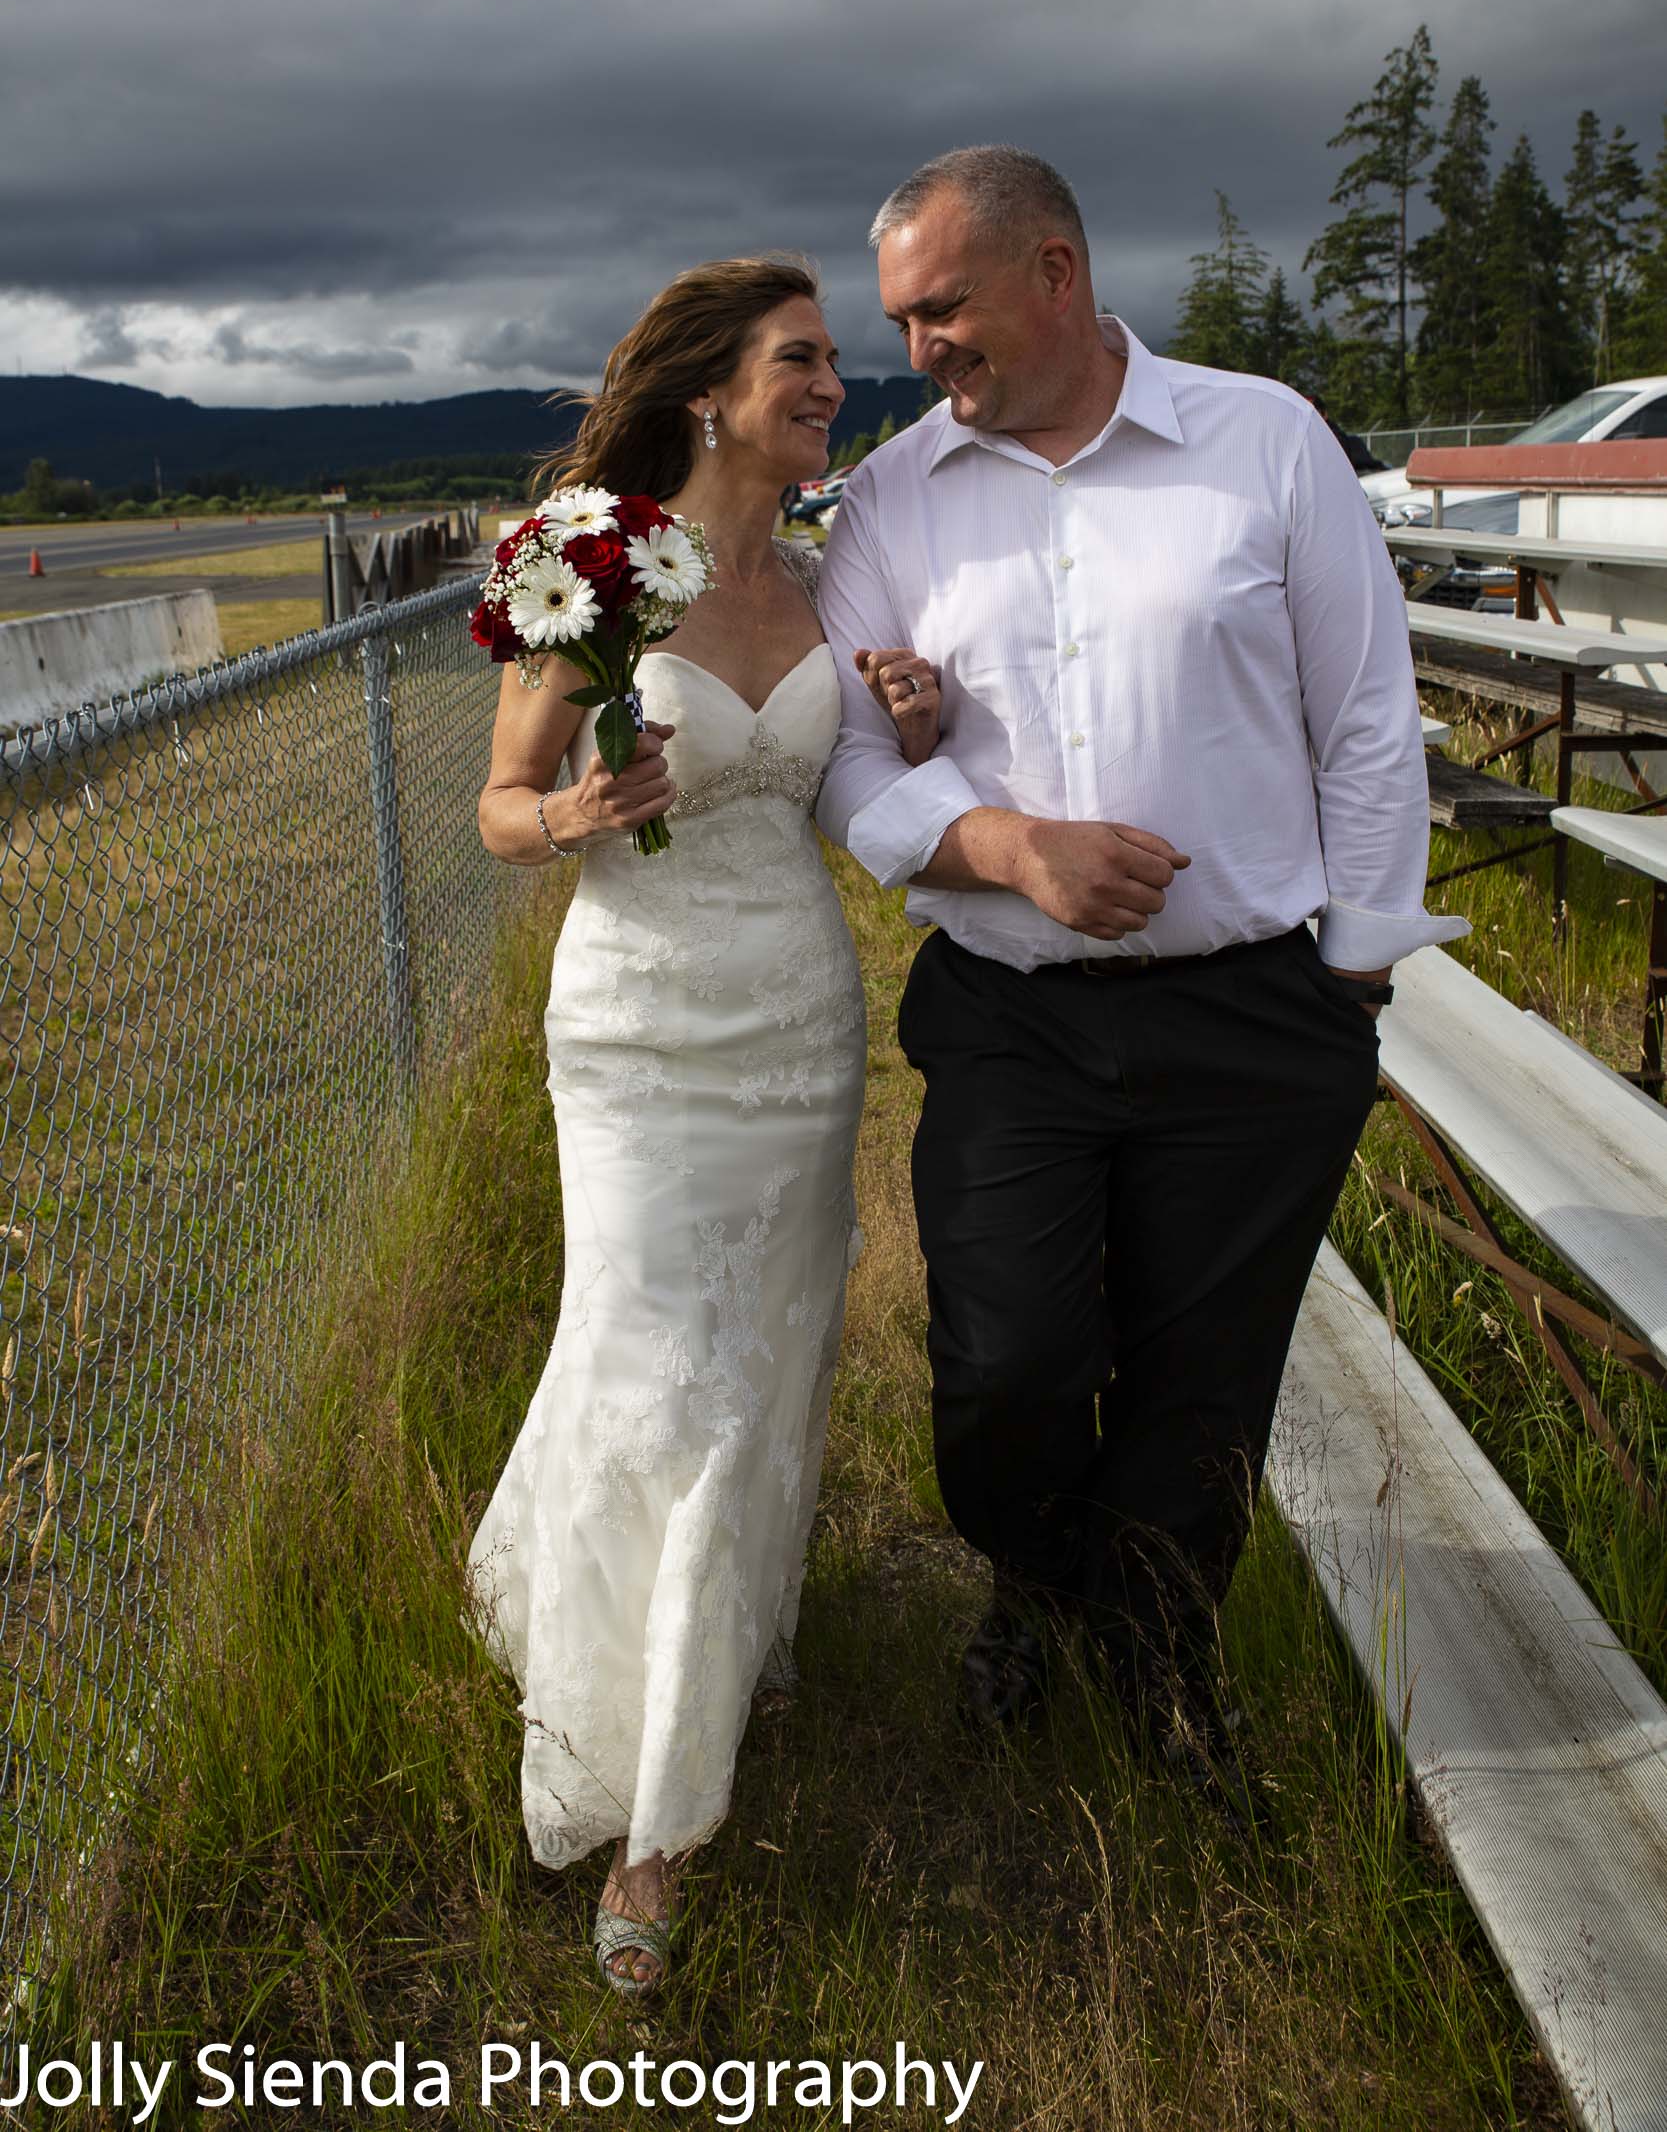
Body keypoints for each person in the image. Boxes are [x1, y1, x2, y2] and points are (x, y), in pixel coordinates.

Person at [816, 146, 1464, 1797]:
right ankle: (1041, 1573)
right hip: (1014, 1018)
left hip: (1260, 1017)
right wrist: (1009, 847)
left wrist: (1358, 975)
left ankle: (1166, 1672)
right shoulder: (895, 498)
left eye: (943, 307)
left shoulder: (1264, 441)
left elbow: (1370, 718)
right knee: (1006, 1367)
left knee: (1203, 1387)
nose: (919, 353)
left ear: (1057, 271)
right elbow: (840, 764)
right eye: (898, 320)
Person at [467, 257, 867, 1996]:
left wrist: (902, 713)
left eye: (839, 363)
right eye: (802, 359)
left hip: (802, 1024)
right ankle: (646, 1813)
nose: (832, 385)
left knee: (768, 1357)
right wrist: (571, 811)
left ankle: (720, 1649)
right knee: (649, 1363)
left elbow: (828, 793)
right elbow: (494, 807)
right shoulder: (595, 564)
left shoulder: (828, 574)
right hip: (639, 1037)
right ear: (710, 387)